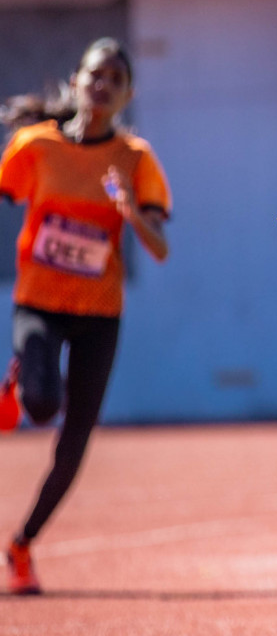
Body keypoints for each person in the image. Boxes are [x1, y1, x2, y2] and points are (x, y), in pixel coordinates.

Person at [0, 39, 172, 595]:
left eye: (116, 78)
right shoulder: (35, 146)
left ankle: (22, 544)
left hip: (99, 313)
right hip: (39, 303)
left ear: (128, 94)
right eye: (96, 74)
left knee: (73, 445)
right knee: (43, 405)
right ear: (76, 81)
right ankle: (22, 375)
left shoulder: (136, 159)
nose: (103, 85)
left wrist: (127, 212)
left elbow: (160, 247)